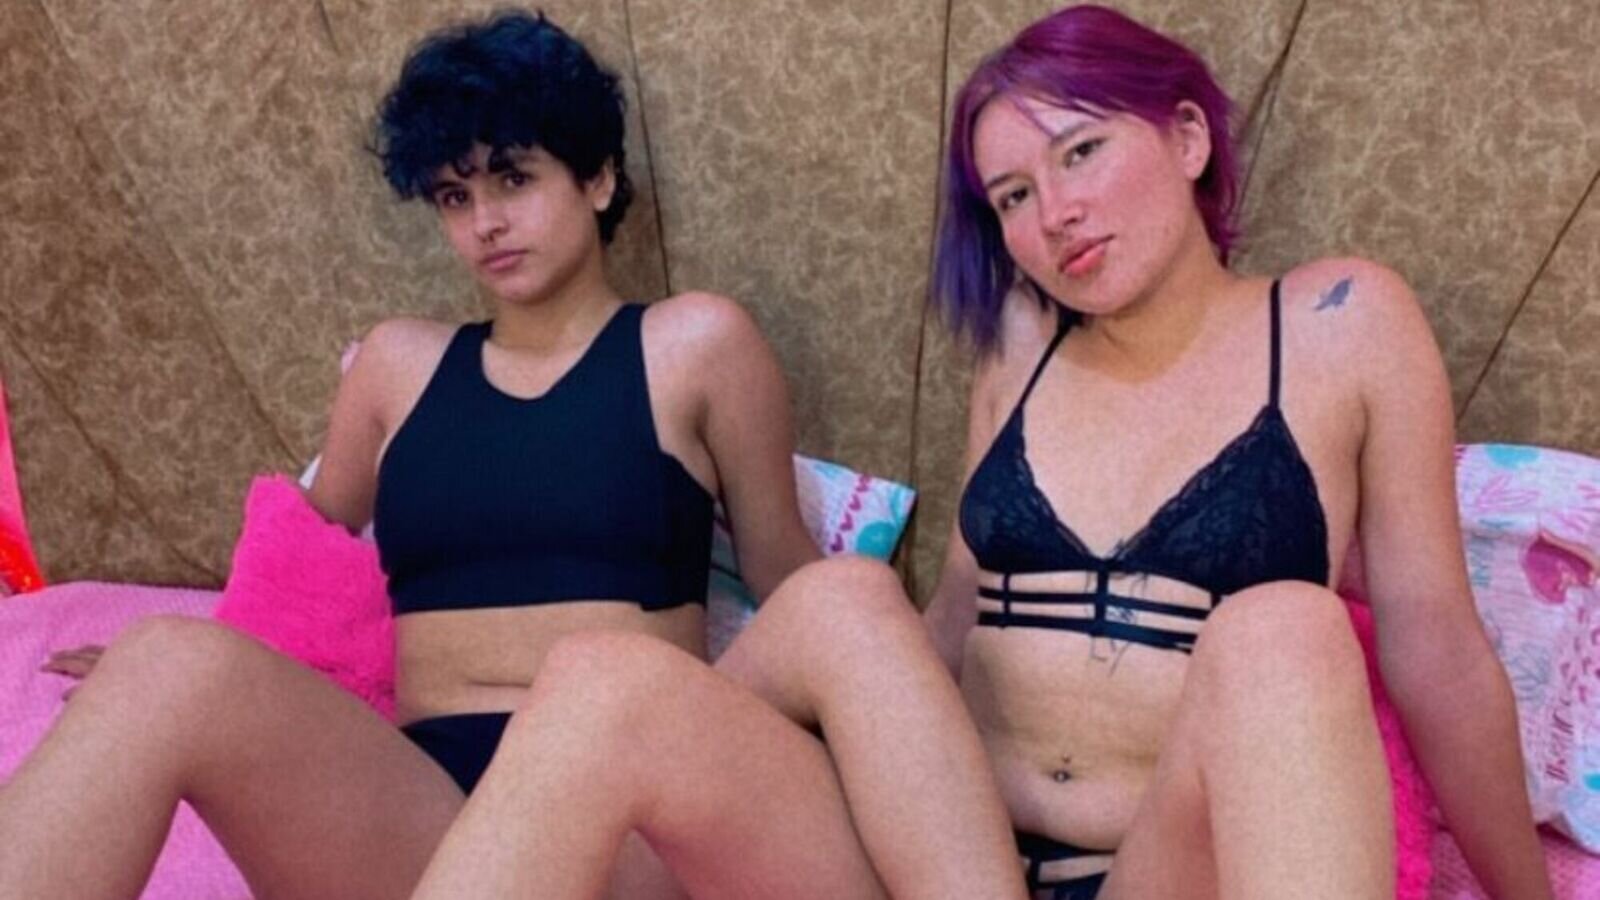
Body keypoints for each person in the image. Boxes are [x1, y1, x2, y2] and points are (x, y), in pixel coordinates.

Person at [409, 5, 1552, 900]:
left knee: (1286, 629)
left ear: (1187, 136)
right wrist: (783, 742)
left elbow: (1436, 649)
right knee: (636, 665)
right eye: (1012, 195)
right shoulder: (1018, 339)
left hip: (1158, 865)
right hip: (956, 865)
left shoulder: (1343, 320)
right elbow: (956, 615)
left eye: (1081, 152)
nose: (1053, 214)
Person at [0, 11, 820, 899]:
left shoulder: (696, 344)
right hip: (424, 804)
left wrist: (908, 648)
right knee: (165, 662)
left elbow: (789, 582)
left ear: (597, 178)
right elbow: (299, 562)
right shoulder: (396, 367)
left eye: (513, 179)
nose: (485, 223)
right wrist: (168, 681)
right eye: (454, 197)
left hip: (621, 808)